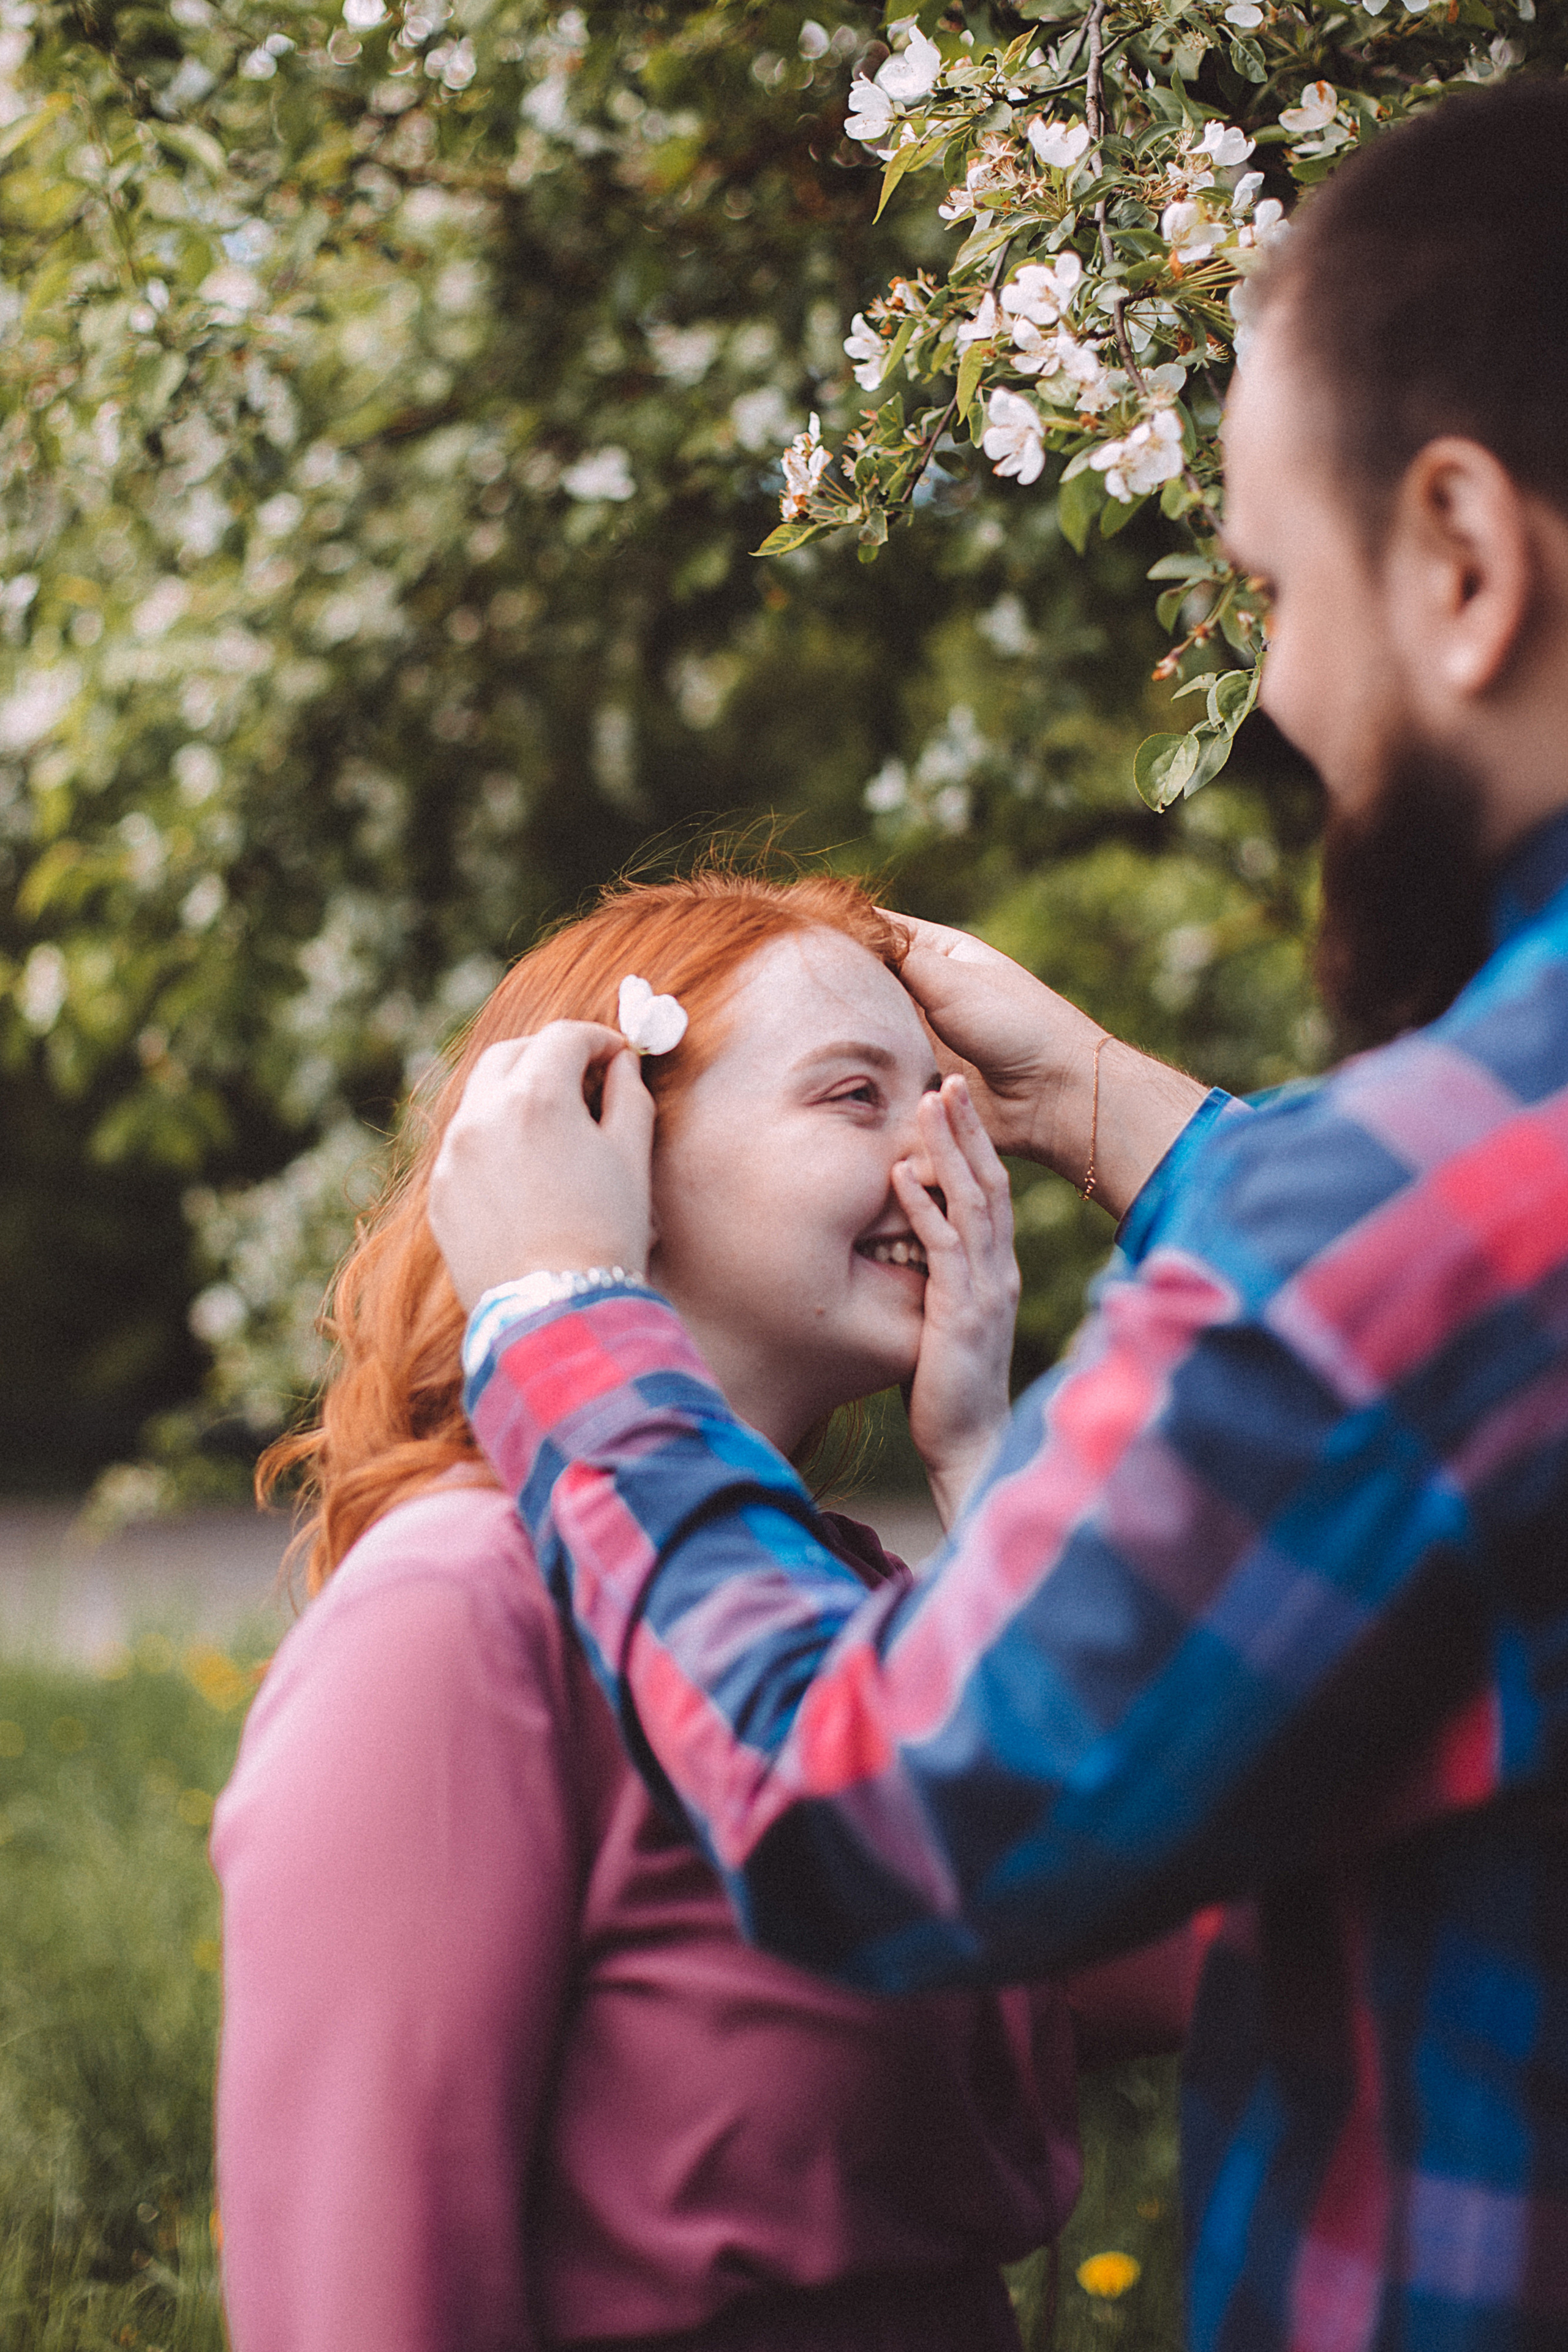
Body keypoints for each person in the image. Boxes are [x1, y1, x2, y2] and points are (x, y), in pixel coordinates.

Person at [427, 81, 1568, 2352]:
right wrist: (1122, 1114)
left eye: (1268, 595)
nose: (1283, 711)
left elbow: (890, 1814)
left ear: (1459, 558)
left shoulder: (1406, 1225)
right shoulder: (444, 1629)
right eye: (838, 1091)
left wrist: (560, 1314)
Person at [211, 869, 1194, 2352]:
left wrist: (986, 1464)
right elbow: (365, 2300)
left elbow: (1170, 1937)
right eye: (854, 1097)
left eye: (947, 1104)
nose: (940, 1155)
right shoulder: (457, 1620)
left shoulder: (854, 1605)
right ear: (607, 1152)